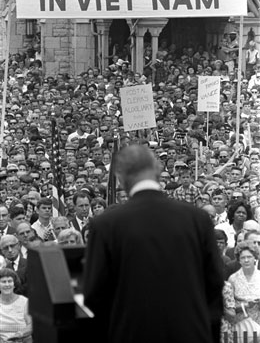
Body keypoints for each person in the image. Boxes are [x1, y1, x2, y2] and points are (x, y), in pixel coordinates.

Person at [83, 144, 224, 343]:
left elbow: (95, 295)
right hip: (191, 334)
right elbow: (214, 285)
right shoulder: (197, 219)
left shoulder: (105, 225)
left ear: (121, 178)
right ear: (157, 170)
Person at [228, 241, 260, 341]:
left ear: (255, 258)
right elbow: (229, 307)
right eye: (242, 257)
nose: (246, 260)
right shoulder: (233, 279)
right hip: (241, 326)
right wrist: (245, 305)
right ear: (238, 260)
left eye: (249, 257)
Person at [0, 268, 32, 343]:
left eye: (10, 281)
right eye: (3, 282)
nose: (7, 284)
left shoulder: (24, 301)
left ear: (14, 284)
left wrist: (19, 335)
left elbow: (31, 325)